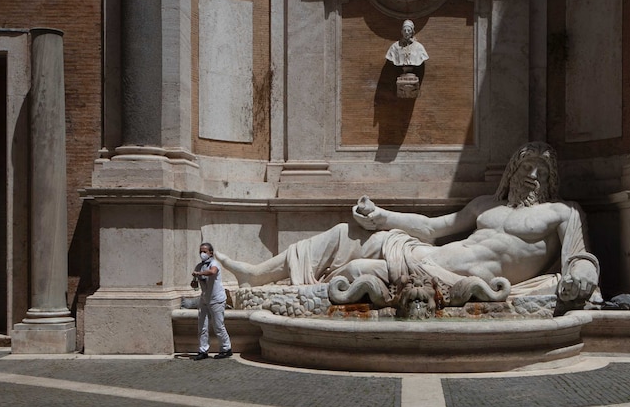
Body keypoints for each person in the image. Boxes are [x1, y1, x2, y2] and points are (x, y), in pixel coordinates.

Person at [217, 142, 599, 306]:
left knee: (356, 270)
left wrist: (582, 276)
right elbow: (433, 228)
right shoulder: (486, 206)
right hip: (426, 254)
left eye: (540, 169)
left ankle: (294, 288)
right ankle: (257, 276)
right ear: (513, 172)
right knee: (344, 233)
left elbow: (579, 257)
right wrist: (383, 217)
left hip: (452, 279)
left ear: (550, 178)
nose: (531, 175)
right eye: (525, 167)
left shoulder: (563, 213)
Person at [191, 242, 233, 360]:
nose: (202, 254)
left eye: (204, 251)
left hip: (216, 299)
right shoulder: (199, 266)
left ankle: (226, 348)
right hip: (205, 298)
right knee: (202, 326)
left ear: (210, 253)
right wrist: (194, 280)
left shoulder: (214, 263)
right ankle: (203, 350)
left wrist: (199, 273)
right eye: (200, 251)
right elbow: (194, 284)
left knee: (218, 325)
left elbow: (212, 272)